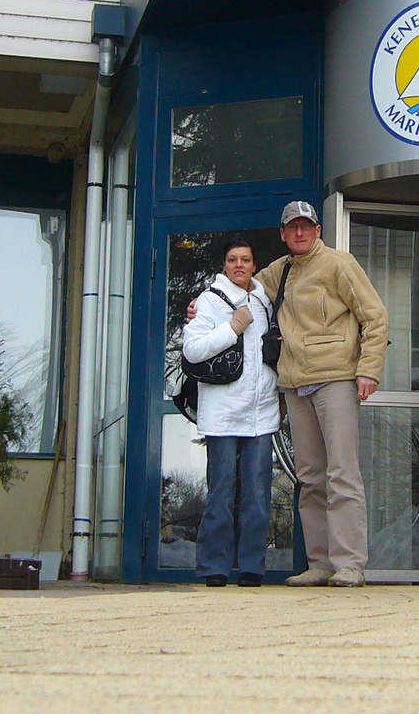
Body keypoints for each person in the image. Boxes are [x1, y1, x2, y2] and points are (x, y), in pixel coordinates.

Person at [255, 200, 388, 588]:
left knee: (342, 473)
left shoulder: (339, 264)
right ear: (282, 234)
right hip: (295, 385)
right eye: (292, 227)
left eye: (306, 226)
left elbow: (375, 316)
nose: (299, 233)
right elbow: (240, 287)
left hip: (336, 379)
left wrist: (368, 369)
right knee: (310, 478)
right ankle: (321, 564)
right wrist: (204, 305)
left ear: (317, 230)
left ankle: (349, 564)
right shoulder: (279, 272)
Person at [181, 235, 280, 588]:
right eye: (233, 259)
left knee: (257, 495)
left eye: (246, 259)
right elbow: (192, 351)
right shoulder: (208, 301)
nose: (239, 265)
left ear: (255, 265)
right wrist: (233, 327)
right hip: (222, 416)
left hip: (262, 413)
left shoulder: (267, 300)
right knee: (221, 494)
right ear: (224, 265)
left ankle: (252, 567)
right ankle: (214, 568)